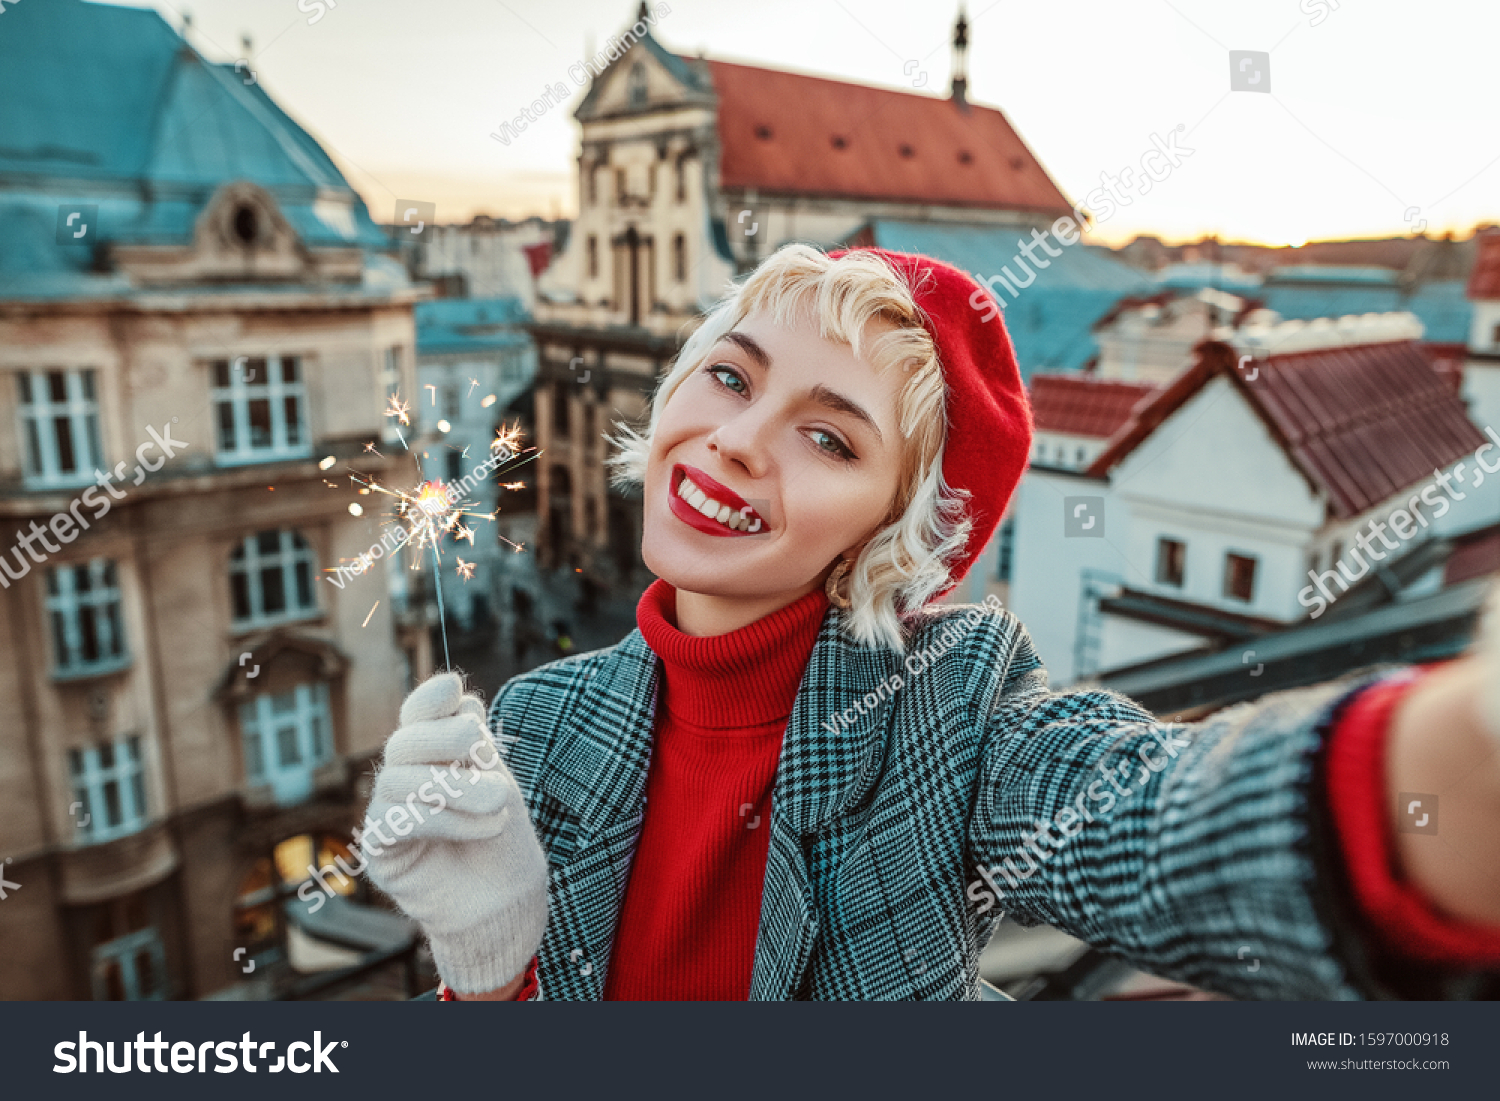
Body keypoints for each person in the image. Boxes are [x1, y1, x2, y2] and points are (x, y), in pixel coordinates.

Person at [363, 245, 1500, 1001]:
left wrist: (1464, 751)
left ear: (895, 529)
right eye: (731, 377)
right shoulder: (544, 719)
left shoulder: (948, 706)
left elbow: (1155, 824)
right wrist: (485, 969)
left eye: (830, 437)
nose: (738, 440)